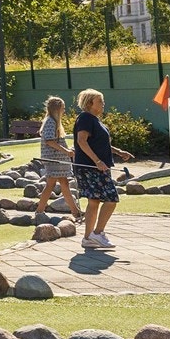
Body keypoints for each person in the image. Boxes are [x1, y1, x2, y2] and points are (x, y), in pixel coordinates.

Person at [73, 88, 132, 249]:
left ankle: (88, 238)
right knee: (111, 199)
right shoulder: (85, 118)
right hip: (91, 167)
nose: (103, 103)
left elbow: (99, 143)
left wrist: (118, 152)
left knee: (94, 201)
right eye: (100, 101)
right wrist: (97, 161)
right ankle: (97, 233)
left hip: (98, 166)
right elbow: (82, 141)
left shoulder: (95, 120)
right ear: (90, 103)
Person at [34, 96, 83, 221]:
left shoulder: (53, 121)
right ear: (57, 109)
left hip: (58, 160)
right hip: (54, 159)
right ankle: (39, 211)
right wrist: (66, 151)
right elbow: (49, 141)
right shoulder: (50, 121)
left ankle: (75, 212)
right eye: (63, 108)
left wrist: (67, 150)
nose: (64, 110)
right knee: (51, 184)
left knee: (63, 183)